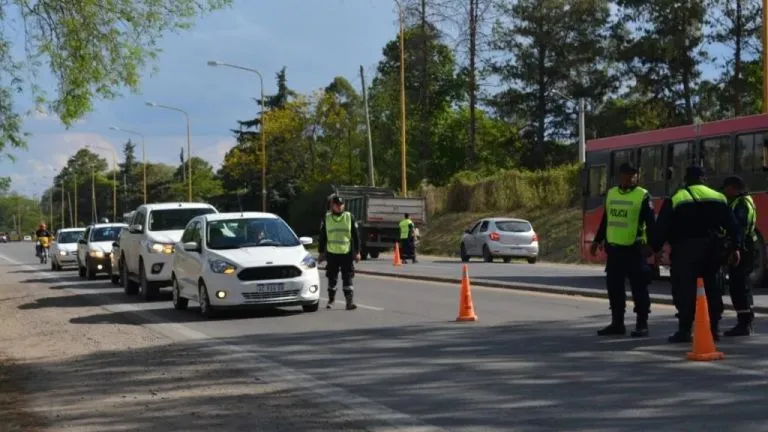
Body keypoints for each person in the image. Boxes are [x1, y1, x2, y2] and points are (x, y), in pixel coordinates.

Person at [652, 165, 742, 343]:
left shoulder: (677, 197)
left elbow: (662, 226)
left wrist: (656, 249)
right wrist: (736, 247)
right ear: (704, 179)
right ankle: (714, 329)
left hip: (685, 251)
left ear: (686, 179)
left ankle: (685, 330)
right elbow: (734, 226)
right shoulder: (719, 197)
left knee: (684, 289)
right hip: (712, 250)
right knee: (713, 288)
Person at [590, 162, 657, 337]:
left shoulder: (642, 196)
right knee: (614, 289)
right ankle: (617, 323)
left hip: (635, 250)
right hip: (614, 250)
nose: (631, 177)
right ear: (620, 176)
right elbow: (606, 220)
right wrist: (597, 241)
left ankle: (642, 324)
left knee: (639, 289)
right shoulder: (611, 194)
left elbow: (651, 224)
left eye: (634, 174)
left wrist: (653, 246)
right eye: (628, 174)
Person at [721, 175, 757, 336]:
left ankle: (744, 323)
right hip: (745, 246)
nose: (724, 192)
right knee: (741, 284)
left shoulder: (742, 204)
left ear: (733, 188)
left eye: (726, 188)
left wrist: (735, 248)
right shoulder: (741, 201)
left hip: (743, 248)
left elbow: (739, 228)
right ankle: (745, 321)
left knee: (739, 285)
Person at [318, 194, 361, 310]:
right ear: (332, 205)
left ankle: (349, 302)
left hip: (346, 253)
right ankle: (331, 300)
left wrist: (357, 252)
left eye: (341, 205)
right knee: (332, 277)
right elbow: (322, 237)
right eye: (337, 205)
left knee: (348, 277)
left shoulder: (349, 217)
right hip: (332, 253)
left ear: (344, 205)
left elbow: (356, 236)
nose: (339, 207)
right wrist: (321, 253)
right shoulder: (327, 218)